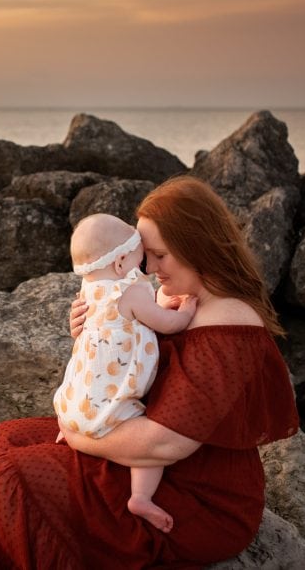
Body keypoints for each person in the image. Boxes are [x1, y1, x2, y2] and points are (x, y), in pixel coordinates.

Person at [0, 175, 299, 569]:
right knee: (5, 439)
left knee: (13, 476)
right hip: (144, 456)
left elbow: (166, 444)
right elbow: (132, 357)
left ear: (196, 245)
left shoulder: (230, 325)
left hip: (197, 496)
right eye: (145, 254)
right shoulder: (174, 291)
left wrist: (79, 437)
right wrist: (91, 334)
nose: (148, 267)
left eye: (159, 255)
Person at [55, 213, 196, 532]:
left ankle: (73, 424)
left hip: (80, 397)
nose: (147, 265)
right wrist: (186, 309)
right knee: (147, 452)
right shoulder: (132, 289)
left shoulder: (89, 287)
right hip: (117, 402)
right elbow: (168, 323)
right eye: (141, 256)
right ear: (120, 264)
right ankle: (141, 497)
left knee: (84, 400)